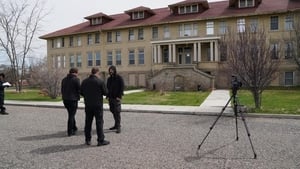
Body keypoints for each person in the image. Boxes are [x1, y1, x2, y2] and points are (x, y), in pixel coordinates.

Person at [81, 67, 109, 146]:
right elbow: (106, 92)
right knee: (99, 122)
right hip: (97, 105)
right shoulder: (100, 82)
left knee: (88, 122)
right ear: (97, 73)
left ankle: (87, 139)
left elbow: (81, 92)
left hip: (88, 104)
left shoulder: (84, 81)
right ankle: (100, 140)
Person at [61, 68, 80, 136]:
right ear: (75, 72)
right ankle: (70, 131)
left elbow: (62, 90)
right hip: (73, 100)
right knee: (71, 115)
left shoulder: (64, 80)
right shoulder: (76, 80)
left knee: (71, 114)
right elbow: (79, 89)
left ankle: (74, 127)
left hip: (65, 100)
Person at [106, 65, 124, 134]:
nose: (111, 71)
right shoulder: (109, 79)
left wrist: (119, 96)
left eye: (112, 70)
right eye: (110, 70)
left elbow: (122, 87)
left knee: (117, 112)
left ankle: (118, 126)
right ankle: (116, 124)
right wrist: (107, 96)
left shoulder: (119, 78)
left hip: (117, 98)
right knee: (112, 110)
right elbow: (107, 88)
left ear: (114, 70)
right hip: (110, 98)